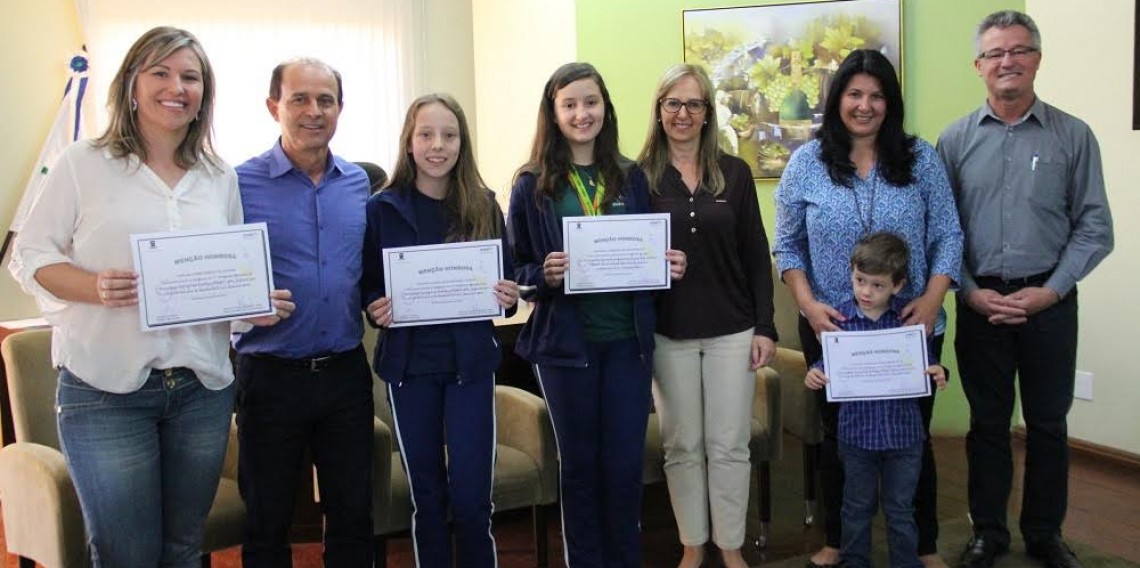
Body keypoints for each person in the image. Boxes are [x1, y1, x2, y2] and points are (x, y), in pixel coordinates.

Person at [7, 26, 293, 567]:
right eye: (161, 72)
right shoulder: (83, 163)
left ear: (204, 93)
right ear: (132, 85)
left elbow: (226, 272)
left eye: (191, 77)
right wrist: (92, 286)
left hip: (201, 390)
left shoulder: (218, 176)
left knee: (183, 548)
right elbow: (31, 256)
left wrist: (251, 305)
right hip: (106, 391)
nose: (177, 87)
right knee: (126, 554)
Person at [937, 11, 1114, 568]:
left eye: (1018, 50)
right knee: (988, 425)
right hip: (981, 304)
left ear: (1037, 58)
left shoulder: (1073, 136)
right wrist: (969, 291)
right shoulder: (954, 140)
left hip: (1049, 304)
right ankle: (988, 534)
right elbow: (941, 229)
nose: (1007, 61)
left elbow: (1095, 226)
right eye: (995, 53)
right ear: (978, 66)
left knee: (1048, 425)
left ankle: (1044, 533)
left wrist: (1052, 291)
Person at [773, 48, 963, 568]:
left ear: (890, 102)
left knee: (913, 438)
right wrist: (808, 306)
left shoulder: (921, 159)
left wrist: (932, 300)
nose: (864, 105)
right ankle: (838, 541)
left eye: (876, 95)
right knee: (841, 439)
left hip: (911, 326)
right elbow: (787, 244)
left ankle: (923, 546)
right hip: (833, 327)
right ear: (837, 99)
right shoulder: (807, 163)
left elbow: (948, 234)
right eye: (854, 93)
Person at [506, 61, 686, 567]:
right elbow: (515, 271)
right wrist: (544, 274)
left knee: (624, 467)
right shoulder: (531, 184)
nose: (581, 113)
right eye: (569, 105)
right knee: (581, 467)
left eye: (591, 102)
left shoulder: (631, 177)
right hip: (565, 348)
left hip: (628, 344)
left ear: (606, 107)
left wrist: (668, 264)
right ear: (553, 113)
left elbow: (649, 252)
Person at [362, 93, 520, 567]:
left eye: (449, 135)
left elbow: (506, 280)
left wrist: (508, 295)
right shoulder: (382, 208)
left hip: (470, 365)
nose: (438, 146)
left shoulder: (484, 205)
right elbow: (368, 284)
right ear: (409, 143)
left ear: (461, 143)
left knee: (472, 499)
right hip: (410, 368)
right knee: (427, 498)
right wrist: (375, 306)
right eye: (426, 135)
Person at [233, 58, 374, 567]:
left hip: (344, 374)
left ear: (340, 108)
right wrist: (247, 302)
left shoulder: (360, 184)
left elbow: (370, 269)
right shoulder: (236, 185)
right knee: (267, 521)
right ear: (274, 106)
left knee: (353, 517)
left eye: (325, 100)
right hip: (270, 376)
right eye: (300, 99)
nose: (314, 111)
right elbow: (216, 275)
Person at [637, 63, 776, 568]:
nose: (683, 113)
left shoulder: (733, 173)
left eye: (694, 104)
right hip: (668, 331)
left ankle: (731, 546)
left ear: (708, 113)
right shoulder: (638, 177)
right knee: (682, 445)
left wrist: (765, 327)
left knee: (729, 444)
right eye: (673, 103)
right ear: (659, 110)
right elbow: (628, 255)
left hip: (732, 329)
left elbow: (756, 255)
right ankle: (693, 544)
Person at [803, 232, 948, 568]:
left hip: (903, 437)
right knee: (856, 507)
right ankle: (854, 561)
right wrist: (815, 373)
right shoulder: (838, 323)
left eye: (877, 285)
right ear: (851, 273)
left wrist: (938, 372)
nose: (866, 292)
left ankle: (906, 563)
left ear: (898, 285)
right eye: (860, 280)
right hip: (857, 437)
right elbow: (826, 364)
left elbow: (926, 363)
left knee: (901, 509)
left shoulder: (909, 322)